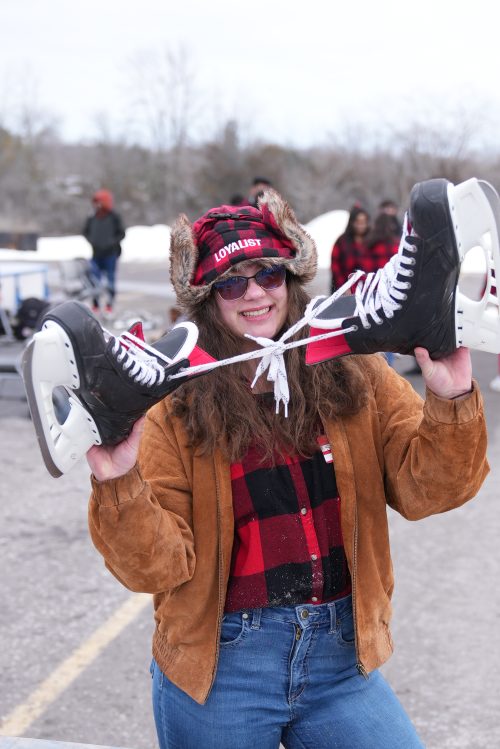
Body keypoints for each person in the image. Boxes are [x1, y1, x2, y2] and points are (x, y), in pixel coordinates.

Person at [86, 189, 488, 749]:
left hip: (340, 663)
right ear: (207, 300)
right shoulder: (173, 405)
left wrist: (451, 397)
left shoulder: (355, 369)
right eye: (231, 282)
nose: (253, 293)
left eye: (268, 275)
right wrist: (117, 480)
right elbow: (155, 569)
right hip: (224, 671)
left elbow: (433, 490)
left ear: (291, 281)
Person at [83, 189, 125, 314]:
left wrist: (111, 242)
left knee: (110, 280)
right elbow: (85, 232)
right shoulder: (92, 217)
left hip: (110, 254)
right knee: (94, 280)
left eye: (99, 202)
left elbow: (121, 233)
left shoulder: (114, 217)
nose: (97, 205)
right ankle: (95, 304)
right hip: (96, 254)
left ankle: (109, 304)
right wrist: (93, 241)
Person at [330, 205, 370, 293]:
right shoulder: (342, 241)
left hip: (368, 290)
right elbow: (335, 266)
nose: (361, 225)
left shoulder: (372, 240)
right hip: (344, 289)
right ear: (352, 222)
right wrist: (344, 287)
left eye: (363, 222)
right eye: (358, 222)